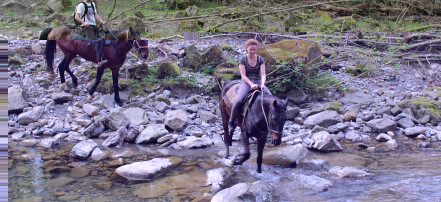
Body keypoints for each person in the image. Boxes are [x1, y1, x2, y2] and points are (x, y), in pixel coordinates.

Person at [228, 39, 272, 133]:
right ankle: (231, 121)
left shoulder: (260, 59)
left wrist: (263, 84)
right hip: (246, 82)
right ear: (246, 49)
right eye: (250, 49)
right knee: (239, 100)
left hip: (259, 81)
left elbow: (263, 74)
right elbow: (243, 75)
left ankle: (270, 123)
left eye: (254, 50)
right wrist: (251, 85)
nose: (252, 51)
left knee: (271, 98)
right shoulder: (243, 59)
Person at [74, 0, 107, 66]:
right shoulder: (81, 5)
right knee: (95, 42)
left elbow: (95, 14)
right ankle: (98, 60)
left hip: (94, 25)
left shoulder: (92, 4)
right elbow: (76, 17)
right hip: (86, 27)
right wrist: (84, 23)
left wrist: (100, 21)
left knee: (104, 37)